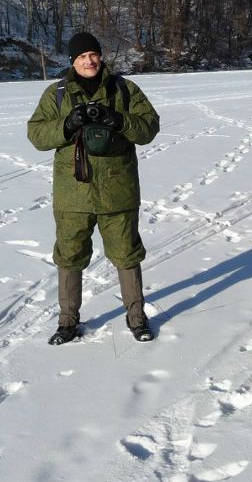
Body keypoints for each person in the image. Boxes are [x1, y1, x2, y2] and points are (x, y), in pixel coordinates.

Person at [26, 31, 160, 345]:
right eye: (82, 56)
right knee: (70, 257)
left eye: (93, 54)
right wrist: (67, 124)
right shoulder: (56, 94)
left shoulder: (124, 89)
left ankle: (137, 319)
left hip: (118, 191)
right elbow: (36, 135)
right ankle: (68, 323)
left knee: (127, 255)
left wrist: (119, 119)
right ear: (72, 60)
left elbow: (149, 127)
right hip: (73, 196)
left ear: (101, 56)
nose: (89, 61)